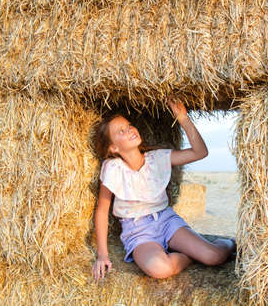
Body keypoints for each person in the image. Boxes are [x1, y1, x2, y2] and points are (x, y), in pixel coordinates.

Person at [92, 100, 236, 280]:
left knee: (214, 257)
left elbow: (200, 152)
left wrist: (183, 119)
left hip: (167, 221)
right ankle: (190, 257)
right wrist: (102, 255)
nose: (129, 129)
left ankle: (229, 243)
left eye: (129, 126)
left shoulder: (158, 158)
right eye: (121, 131)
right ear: (113, 147)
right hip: (138, 232)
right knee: (160, 269)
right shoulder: (113, 168)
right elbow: (102, 211)